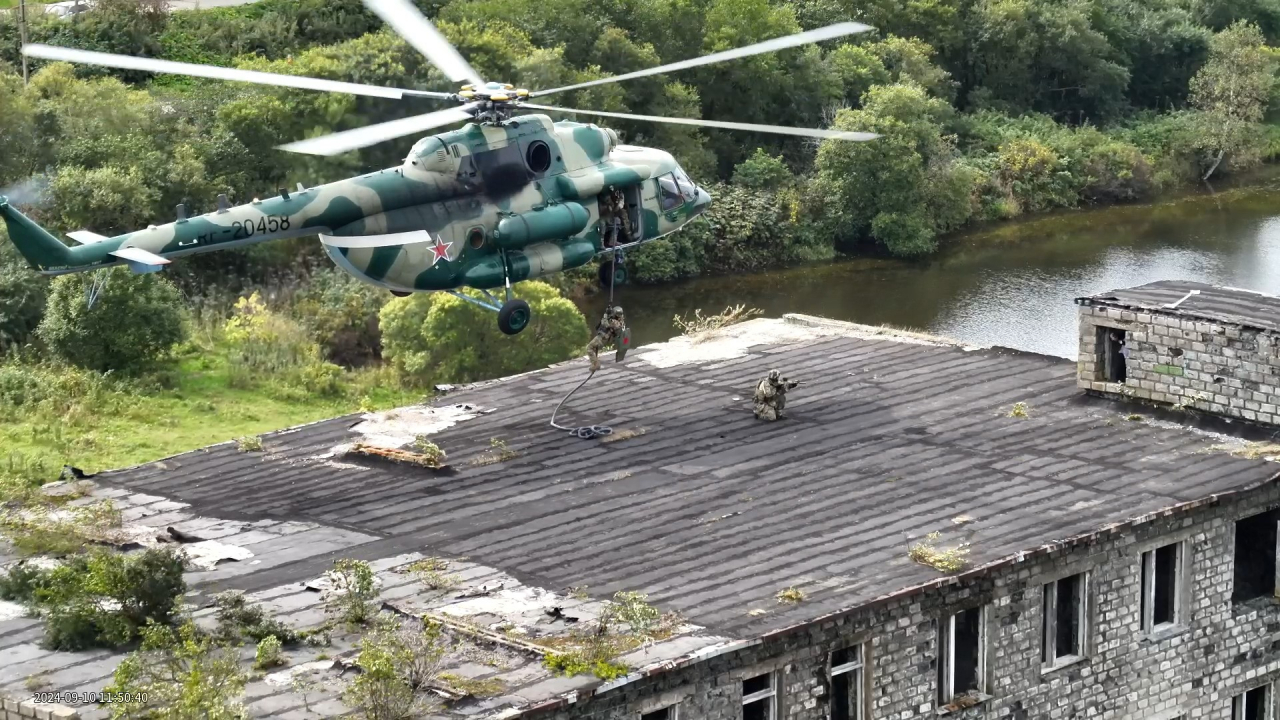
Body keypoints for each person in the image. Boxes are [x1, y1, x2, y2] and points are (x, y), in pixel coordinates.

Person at [587, 305, 626, 372]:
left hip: (603, 338)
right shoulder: (620, 321)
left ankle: (596, 364)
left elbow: (604, 323)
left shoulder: (615, 322)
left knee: (589, 348)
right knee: (593, 347)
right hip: (605, 338)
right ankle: (595, 362)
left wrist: (605, 314)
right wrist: (609, 312)